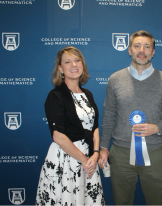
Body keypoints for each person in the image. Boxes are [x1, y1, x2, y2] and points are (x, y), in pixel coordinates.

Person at [98, 30, 162, 206]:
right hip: (120, 153)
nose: (142, 50)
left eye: (147, 46)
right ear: (129, 50)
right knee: (122, 202)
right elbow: (109, 115)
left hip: (154, 153)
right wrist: (104, 147)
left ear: (153, 51)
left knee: (156, 202)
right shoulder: (115, 79)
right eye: (137, 46)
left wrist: (157, 127)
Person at [36, 46, 105, 206]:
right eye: (67, 62)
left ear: (83, 65)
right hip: (65, 160)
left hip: (88, 160)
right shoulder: (55, 96)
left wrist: (94, 155)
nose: (73, 65)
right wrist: (84, 160)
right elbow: (58, 136)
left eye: (77, 60)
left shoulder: (87, 94)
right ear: (60, 68)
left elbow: (94, 127)